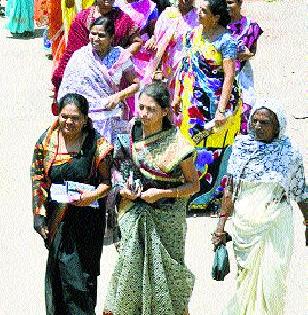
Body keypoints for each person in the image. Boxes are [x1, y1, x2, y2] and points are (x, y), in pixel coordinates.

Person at [102, 82, 200, 315]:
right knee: (130, 270)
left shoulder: (179, 146)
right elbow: (118, 168)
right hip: (133, 213)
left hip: (166, 220)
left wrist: (162, 193)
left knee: (165, 275)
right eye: (141, 107)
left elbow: (193, 185)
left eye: (150, 109)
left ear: (165, 112)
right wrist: (122, 190)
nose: (143, 114)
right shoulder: (131, 132)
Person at [212, 99, 307, 315]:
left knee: (273, 280)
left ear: (277, 126)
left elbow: (300, 191)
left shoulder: (290, 155)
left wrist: (307, 221)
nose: (257, 126)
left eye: (264, 123)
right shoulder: (241, 148)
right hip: (245, 229)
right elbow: (230, 190)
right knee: (246, 280)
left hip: (276, 226)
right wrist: (220, 228)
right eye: (254, 121)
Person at [31, 93, 113, 314]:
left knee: (81, 281)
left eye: (75, 118)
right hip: (59, 221)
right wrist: (39, 216)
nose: (68, 122)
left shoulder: (98, 145)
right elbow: (38, 179)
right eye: (64, 116)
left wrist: (92, 196)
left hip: (87, 224)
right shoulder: (47, 142)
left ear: (85, 119)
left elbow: (107, 183)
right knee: (58, 279)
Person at [174, 0, 241, 211]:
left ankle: (209, 199)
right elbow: (183, 66)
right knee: (190, 147)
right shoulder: (192, 35)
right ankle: (189, 194)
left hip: (216, 107)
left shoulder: (226, 41)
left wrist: (221, 110)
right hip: (191, 106)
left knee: (215, 151)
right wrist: (176, 95)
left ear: (216, 17)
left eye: (204, 11)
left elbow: (229, 76)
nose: (198, 14)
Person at [57, 16, 140, 143]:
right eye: (93, 33)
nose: (95, 38)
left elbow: (136, 84)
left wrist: (119, 96)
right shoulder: (80, 56)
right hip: (83, 116)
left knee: (110, 157)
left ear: (111, 38)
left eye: (101, 35)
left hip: (111, 112)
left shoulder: (120, 56)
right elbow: (68, 87)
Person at [52, 0, 142, 97]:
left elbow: (137, 42)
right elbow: (71, 52)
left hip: (114, 82)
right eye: (94, 34)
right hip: (85, 77)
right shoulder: (82, 19)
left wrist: (117, 58)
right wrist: (60, 79)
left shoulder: (123, 19)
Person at [144, 0, 199, 97]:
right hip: (166, 71)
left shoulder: (199, 16)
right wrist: (152, 40)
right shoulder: (168, 14)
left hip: (189, 72)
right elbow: (157, 37)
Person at [226, 0, 263, 134]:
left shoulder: (251, 26)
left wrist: (248, 54)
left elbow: (253, 52)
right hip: (221, 78)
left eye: (230, 2)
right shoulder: (217, 24)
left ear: (240, 2)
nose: (227, 6)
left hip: (242, 77)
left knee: (244, 112)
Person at [114, 0, 159, 79]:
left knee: (140, 84)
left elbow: (154, 32)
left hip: (141, 50)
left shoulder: (149, 5)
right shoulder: (113, 3)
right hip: (117, 46)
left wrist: (153, 39)